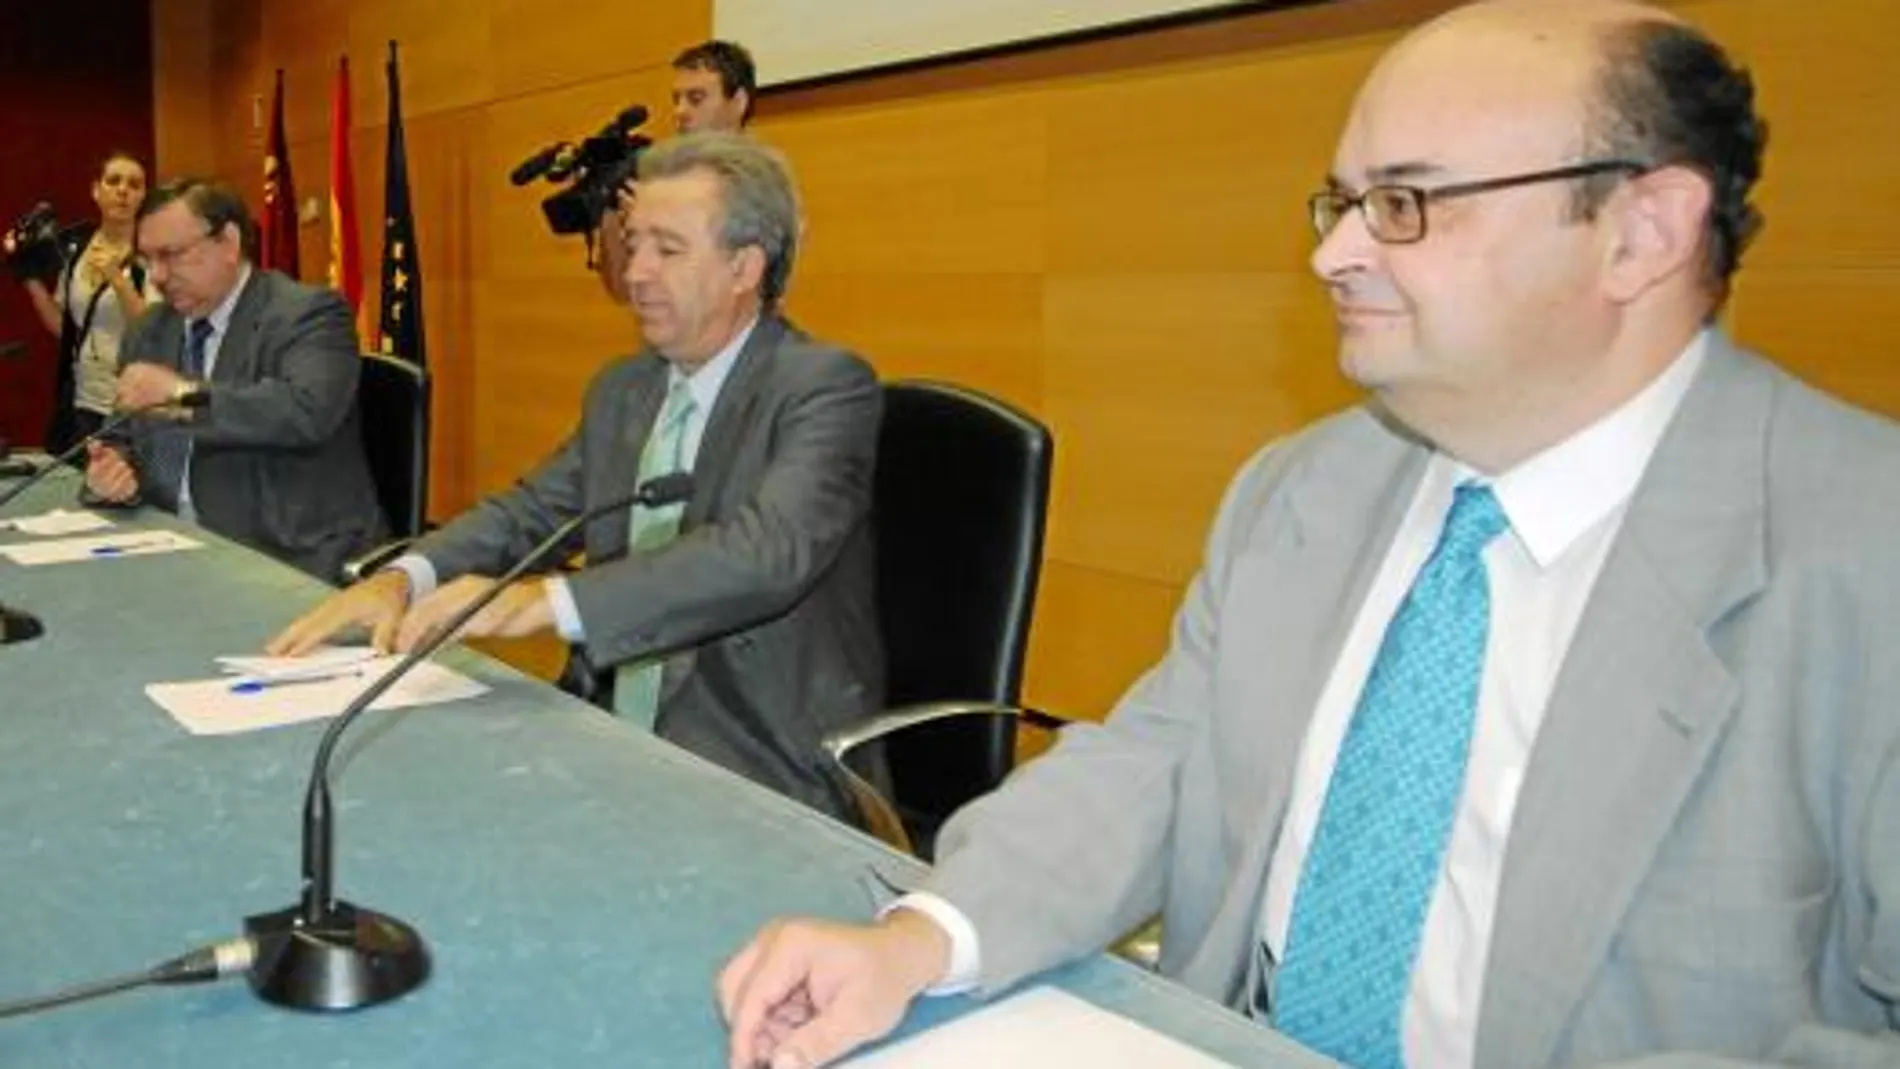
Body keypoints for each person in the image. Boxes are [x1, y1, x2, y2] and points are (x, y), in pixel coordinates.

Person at [716, 3, 1900, 1068]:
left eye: (1404, 203)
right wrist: (927, 936)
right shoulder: (1306, 485)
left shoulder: (1864, 552)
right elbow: (1156, 764)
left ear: (1639, 233)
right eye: (1341, 203)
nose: (1332, 254)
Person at [269, 133, 886, 825]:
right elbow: (531, 511)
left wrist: (547, 601)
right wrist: (404, 577)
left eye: (668, 249)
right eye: (633, 241)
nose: (636, 271)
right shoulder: (625, 387)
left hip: (756, 755)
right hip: (604, 729)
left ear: (745, 267)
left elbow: (765, 554)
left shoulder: (824, 386)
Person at [84, 177, 387, 582]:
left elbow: (305, 412)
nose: (156, 276)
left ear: (228, 242)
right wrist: (113, 470)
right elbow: (120, 435)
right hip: (167, 544)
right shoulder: (151, 329)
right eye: (146, 260)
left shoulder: (307, 313)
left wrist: (181, 396)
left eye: (170, 255)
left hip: (284, 558)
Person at [10, 151, 153, 452]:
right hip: (83, 402)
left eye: (134, 184)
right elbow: (66, 328)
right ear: (96, 191)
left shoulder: (153, 253)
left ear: (143, 196)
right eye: (113, 181)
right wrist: (29, 277)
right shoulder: (76, 252)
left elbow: (154, 330)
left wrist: (117, 278)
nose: (123, 190)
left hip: (133, 407)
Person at [596, 40, 759, 304]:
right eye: (676, 100)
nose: (680, 112)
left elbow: (731, 287)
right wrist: (608, 213)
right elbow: (624, 292)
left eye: (696, 99)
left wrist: (659, 225)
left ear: (738, 102)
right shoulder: (665, 179)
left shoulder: (763, 185)